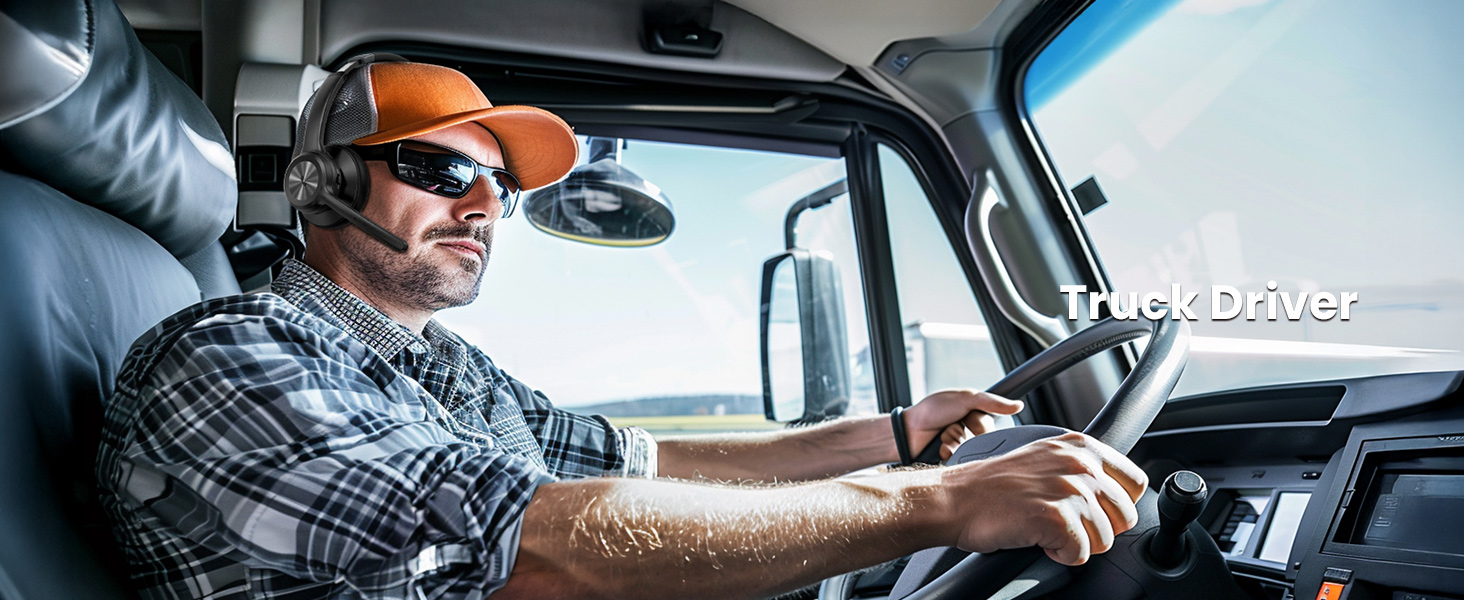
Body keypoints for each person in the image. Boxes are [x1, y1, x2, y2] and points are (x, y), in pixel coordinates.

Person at [97, 58, 1147, 600]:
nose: (485, 208)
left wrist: (898, 438)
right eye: (443, 169)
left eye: (500, 187)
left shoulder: (445, 369)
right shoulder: (228, 356)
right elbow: (523, 552)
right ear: (323, 185)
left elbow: (651, 462)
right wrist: (940, 504)